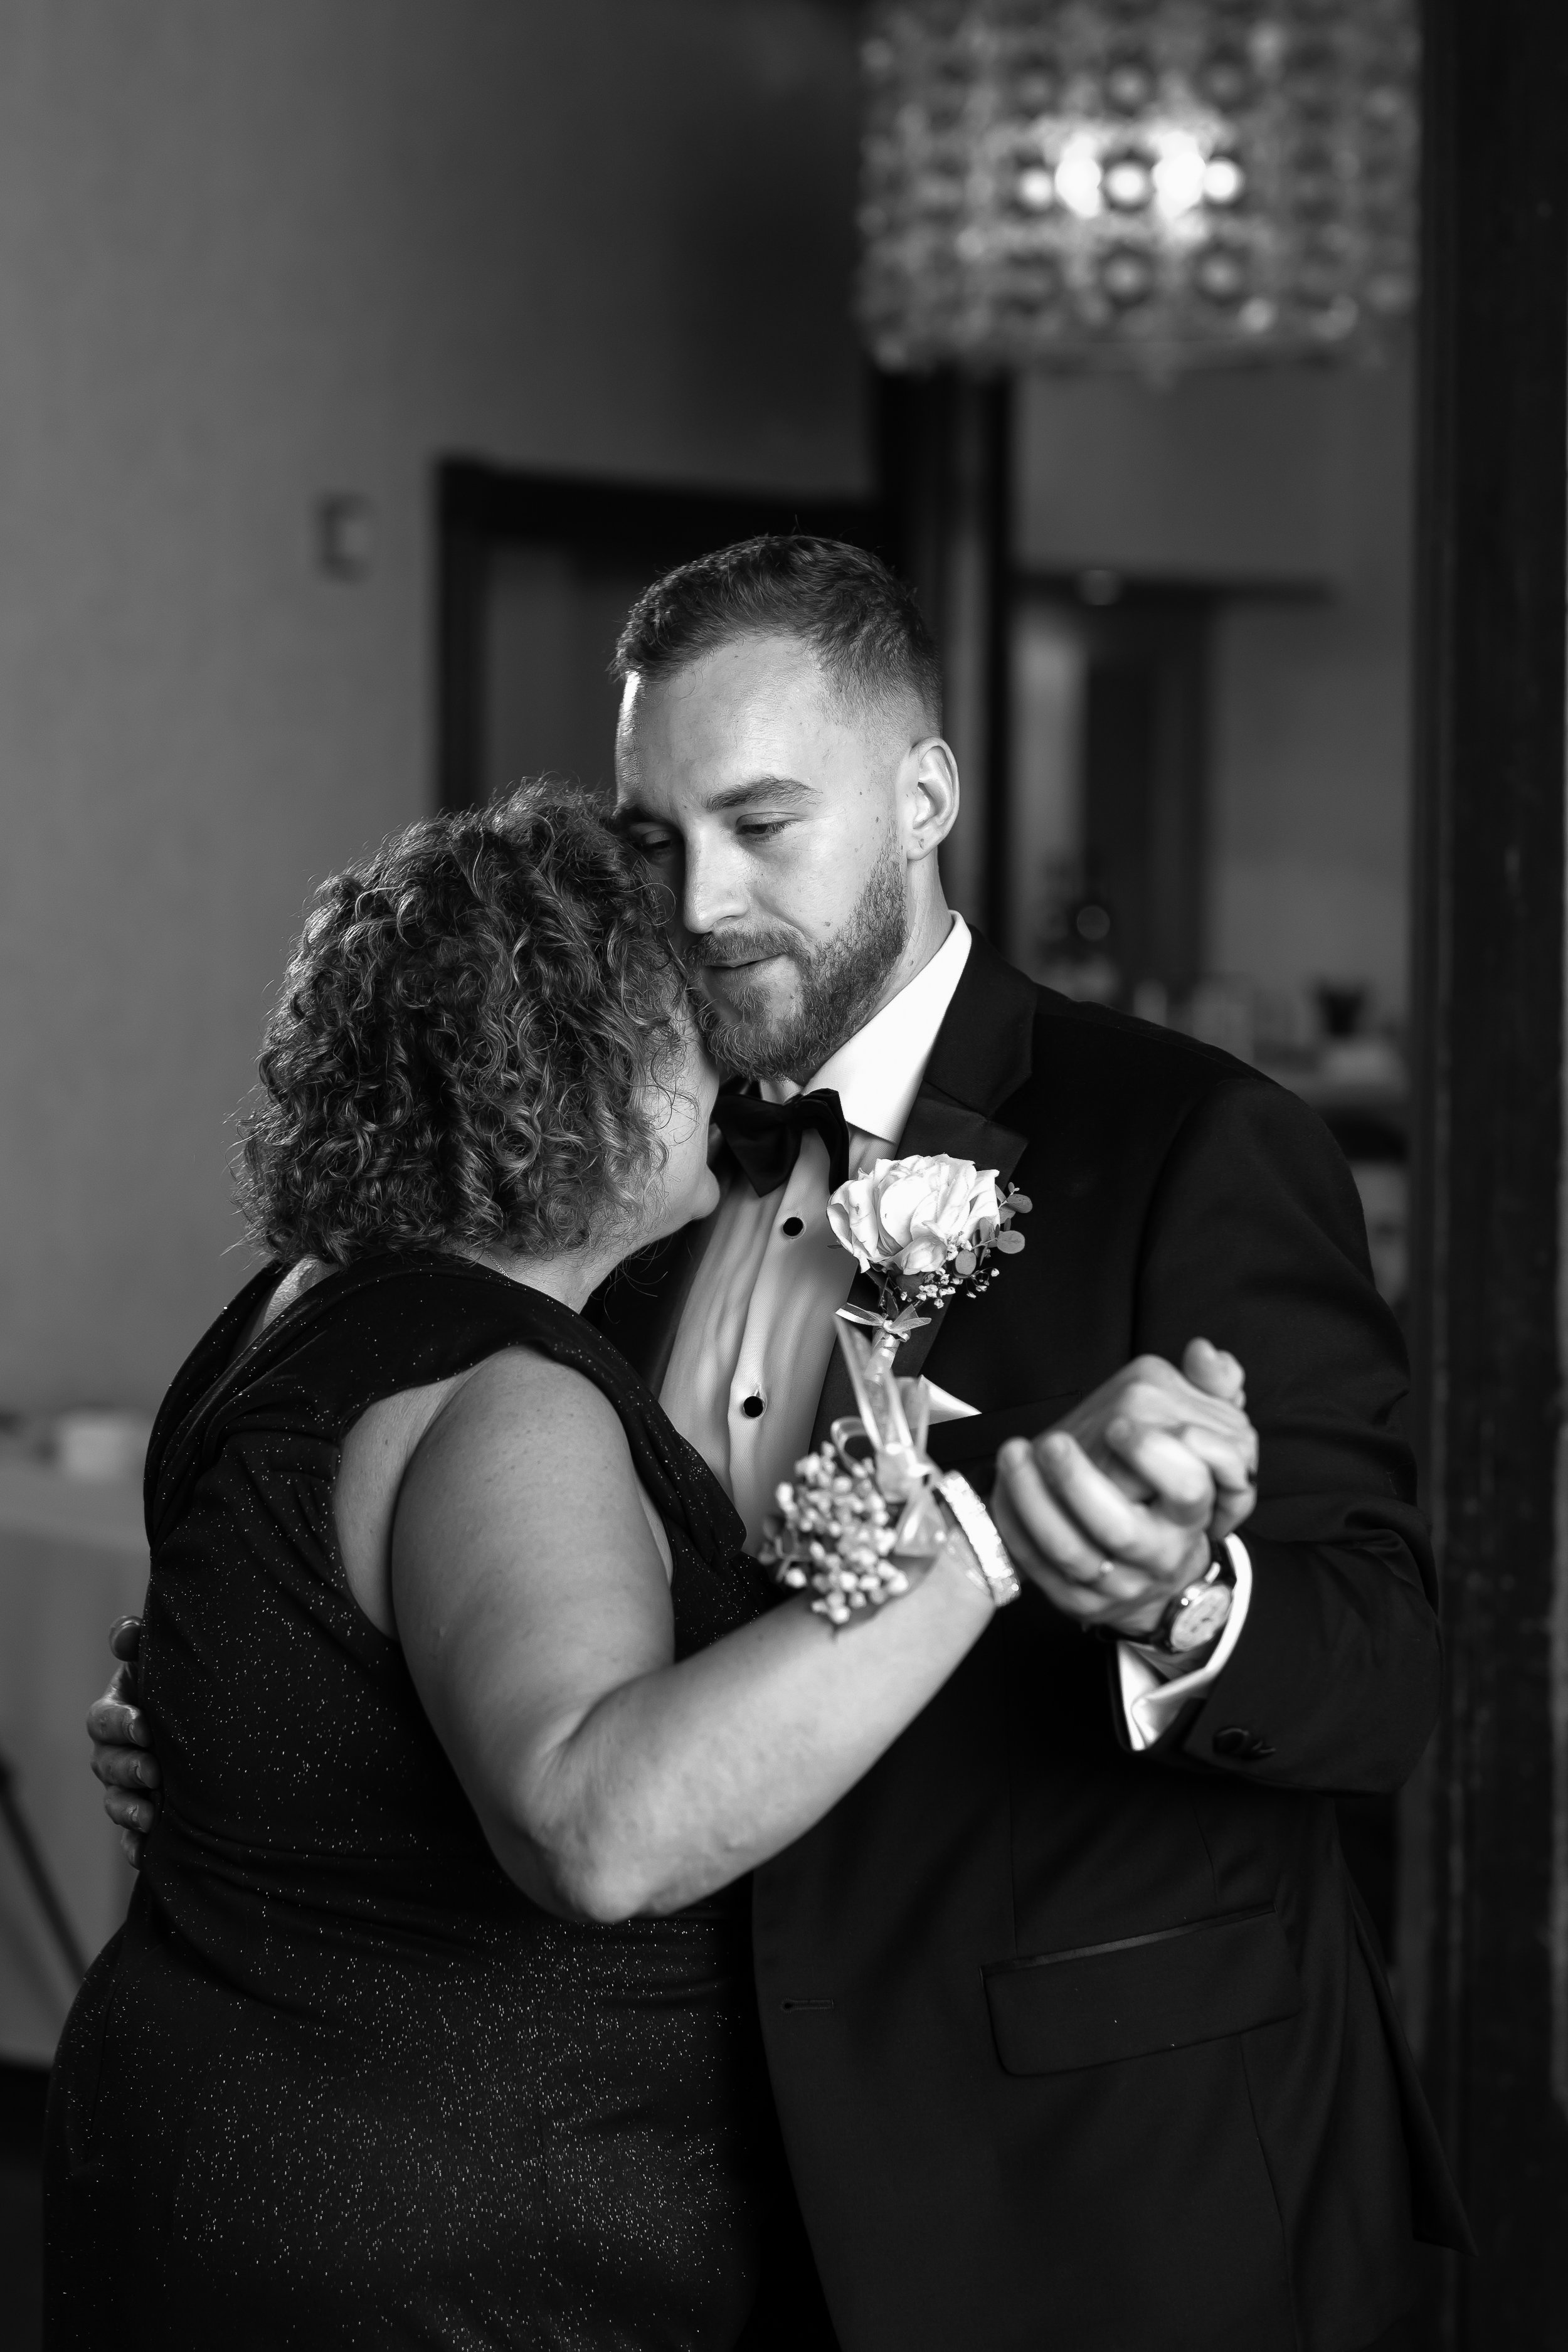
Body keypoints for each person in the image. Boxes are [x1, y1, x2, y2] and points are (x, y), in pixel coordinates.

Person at [90, 534, 1468, 2351]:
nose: (704, 897)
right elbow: (470, 1567)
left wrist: (1178, 1593)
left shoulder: (1190, 1138)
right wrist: (280, 1722)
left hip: (1097, 2180)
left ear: (922, 796)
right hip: (676, 2184)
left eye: (762, 822)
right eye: (655, 839)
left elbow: (1379, 1660)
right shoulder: (599, 1177)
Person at [46, 790, 1037, 2349]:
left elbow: (299, 1662)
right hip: (455, 2249)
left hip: (198, 2160)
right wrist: (988, 1541)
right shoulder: (509, 1396)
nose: (727, 1061)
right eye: (682, 1024)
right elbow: (595, 1829)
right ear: (571, 1071)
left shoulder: (295, 1309)